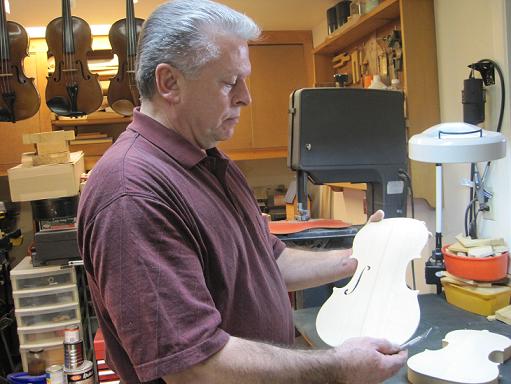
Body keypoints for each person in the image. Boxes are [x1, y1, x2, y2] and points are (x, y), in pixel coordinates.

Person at [77, 1, 407, 383]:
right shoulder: (132, 191)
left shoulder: (211, 161)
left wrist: (360, 257)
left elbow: (268, 261)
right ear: (170, 83)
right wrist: (337, 366)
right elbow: (195, 366)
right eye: (229, 82)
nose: (246, 97)